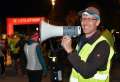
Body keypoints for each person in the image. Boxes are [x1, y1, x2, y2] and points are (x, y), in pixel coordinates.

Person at [61, 5, 115, 82]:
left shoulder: (103, 45)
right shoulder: (82, 41)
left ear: (97, 22)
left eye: (89, 19)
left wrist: (70, 50)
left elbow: (87, 72)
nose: (85, 22)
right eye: (83, 18)